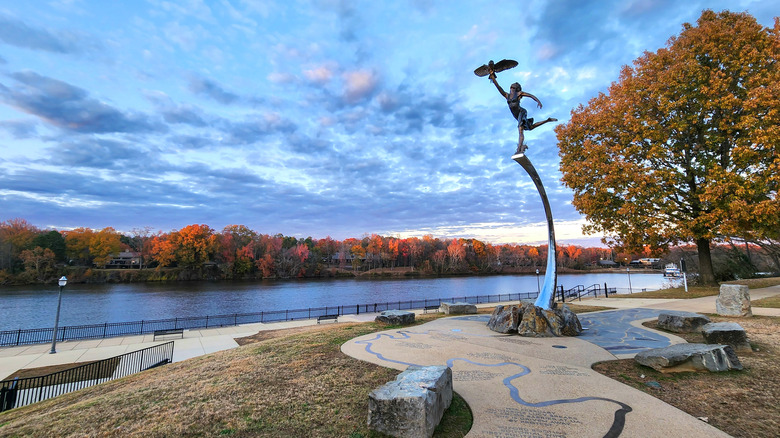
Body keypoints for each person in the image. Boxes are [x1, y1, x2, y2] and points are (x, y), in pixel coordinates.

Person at [488, 71, 557, 155]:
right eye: (511, 88)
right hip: (517, 116)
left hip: (521, 112)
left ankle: (518, 150)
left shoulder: (519, 94)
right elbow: (499, 87)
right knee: (530, 127)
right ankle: (547, 120)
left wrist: (538, 101)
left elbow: (530, 95)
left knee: (520, 130)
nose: (511, 89)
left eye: (513, 88)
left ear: (516, 88)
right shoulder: (507, 95)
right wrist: (493, 78)